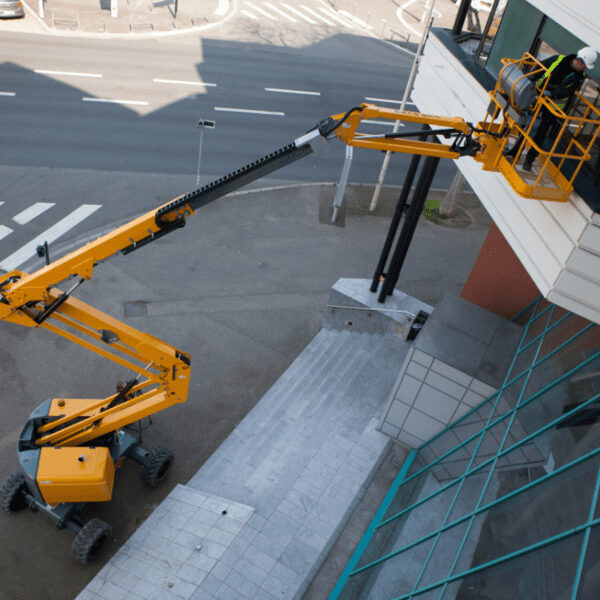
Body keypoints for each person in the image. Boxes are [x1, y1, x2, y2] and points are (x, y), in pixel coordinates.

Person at [505, 47, 596, 171]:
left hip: (554, 104)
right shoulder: (558, 60)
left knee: (541, 133)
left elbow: (567, 91)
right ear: (579, 61)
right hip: (539, 96)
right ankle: (514, 153)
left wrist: (552, 94)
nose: (584, 69)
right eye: (584, 66)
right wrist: (529, 80)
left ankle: (529, 161)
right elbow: (540, 69)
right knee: (529, 125)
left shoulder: (579, 77)